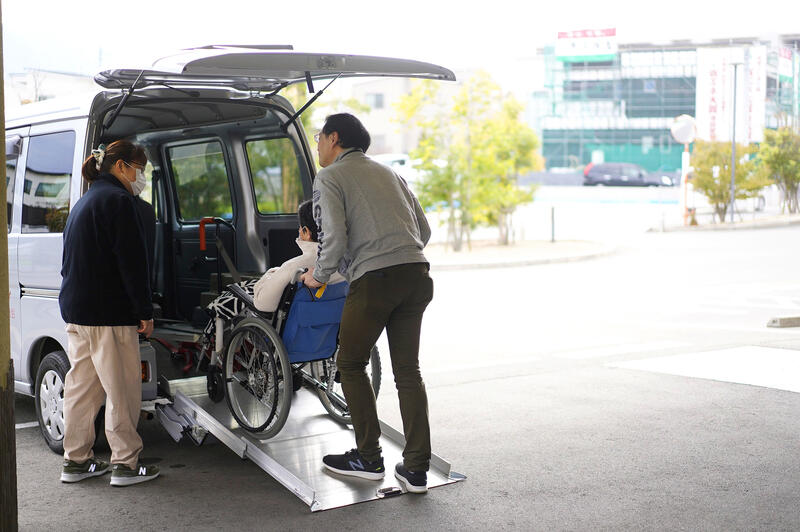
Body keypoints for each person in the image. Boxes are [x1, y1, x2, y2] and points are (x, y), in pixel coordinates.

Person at [302, 113, 434, 494]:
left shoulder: (329, 177)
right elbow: (423, 230)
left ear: (334, 139)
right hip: (416, 274)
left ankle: (368, 458)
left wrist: (318, 276)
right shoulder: (391, 173)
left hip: (374, 281)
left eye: (319, 136)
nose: (317, 144)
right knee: (408, 371)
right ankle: (416, 470)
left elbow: (334, 238)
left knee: (349, 363)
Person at [59, 140, 160, 487]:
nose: (141, 176)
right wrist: (144, 310)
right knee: (122, 391)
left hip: (77, 312)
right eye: (139, 169)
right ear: (120, 167)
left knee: (81, 390)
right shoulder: (120, 202)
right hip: (109, 314)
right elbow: (132, 264)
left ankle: (75, 460)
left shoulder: (83, 202)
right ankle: (126, 464)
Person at [200, 200, 345, 354]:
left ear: (306, 232)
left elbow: (263, 304)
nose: (298, 231)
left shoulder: (293, 267)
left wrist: (269, 275)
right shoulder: (345, 265)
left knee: (234, 298)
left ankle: (219, 351)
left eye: (300, 228)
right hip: (326, 339)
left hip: (288, 340)